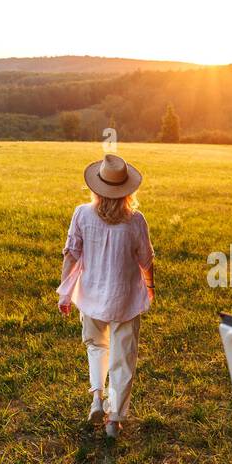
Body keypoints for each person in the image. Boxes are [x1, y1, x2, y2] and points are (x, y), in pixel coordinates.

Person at [57, 153, 154, 438]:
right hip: (125, 299)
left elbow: (70, 254)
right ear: (127, 190)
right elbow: (147, 261)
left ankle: (97, 398)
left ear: (97, 187)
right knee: (123, 358)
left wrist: (65, 293)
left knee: (96, 347)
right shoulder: (136, 221)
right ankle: (114, 420)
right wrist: (150, 288)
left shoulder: (82, 214)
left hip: (90, 296)